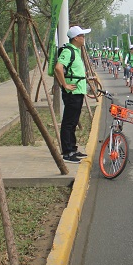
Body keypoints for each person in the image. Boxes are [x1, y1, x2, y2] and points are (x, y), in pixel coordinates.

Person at [55, 25, 91, 164]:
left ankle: (73, 148)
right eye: (82, 36)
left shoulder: (76, 50)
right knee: (68, 122)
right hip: (72, 92)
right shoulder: (69, 51)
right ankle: (67, 152)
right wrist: (64, 85)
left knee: (74, 121)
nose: (84, 38)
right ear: (76, 38)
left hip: (78, 91)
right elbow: (58, 67)